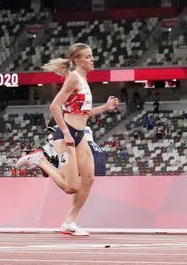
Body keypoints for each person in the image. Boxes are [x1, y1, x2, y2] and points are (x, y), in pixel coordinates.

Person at [16, 43, 119, 236]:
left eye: (92, 56)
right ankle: (40, 160)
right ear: (78, 60)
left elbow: (84, 113)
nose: (92, 59)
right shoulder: (73, 78)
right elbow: (55, 106)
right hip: (66, 136)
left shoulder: (84, 80)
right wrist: (65, 132)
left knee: (89, 179)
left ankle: (69, 223)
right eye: (88, 57)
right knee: (71, 187)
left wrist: (105, 107)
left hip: (79, 136)